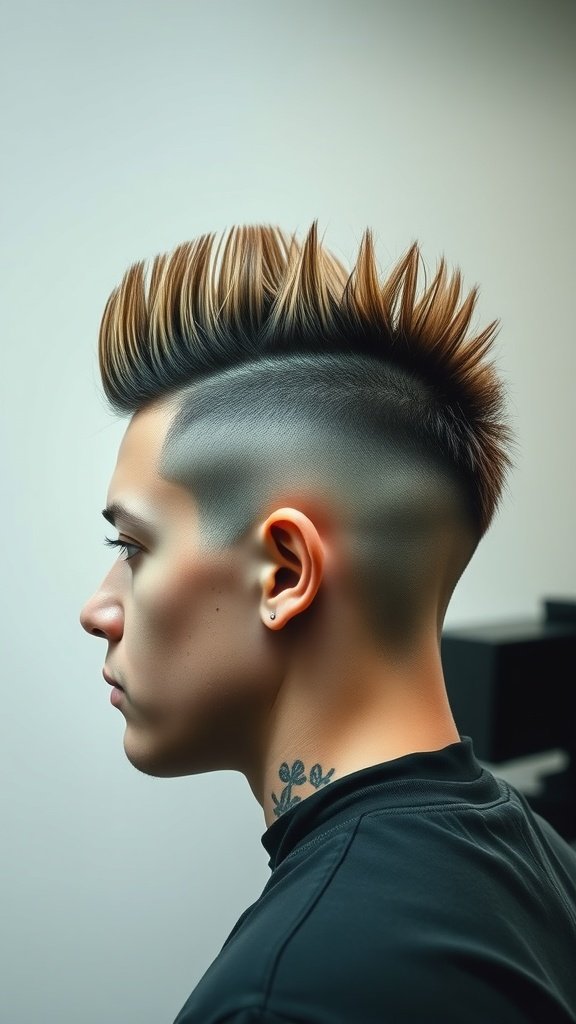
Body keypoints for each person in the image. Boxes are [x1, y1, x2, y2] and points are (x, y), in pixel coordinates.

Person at [79, 222, 576, 1023]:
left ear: (284, 572)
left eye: (133, 547)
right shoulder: (546, 867)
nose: (97, 609)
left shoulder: (286, 997)